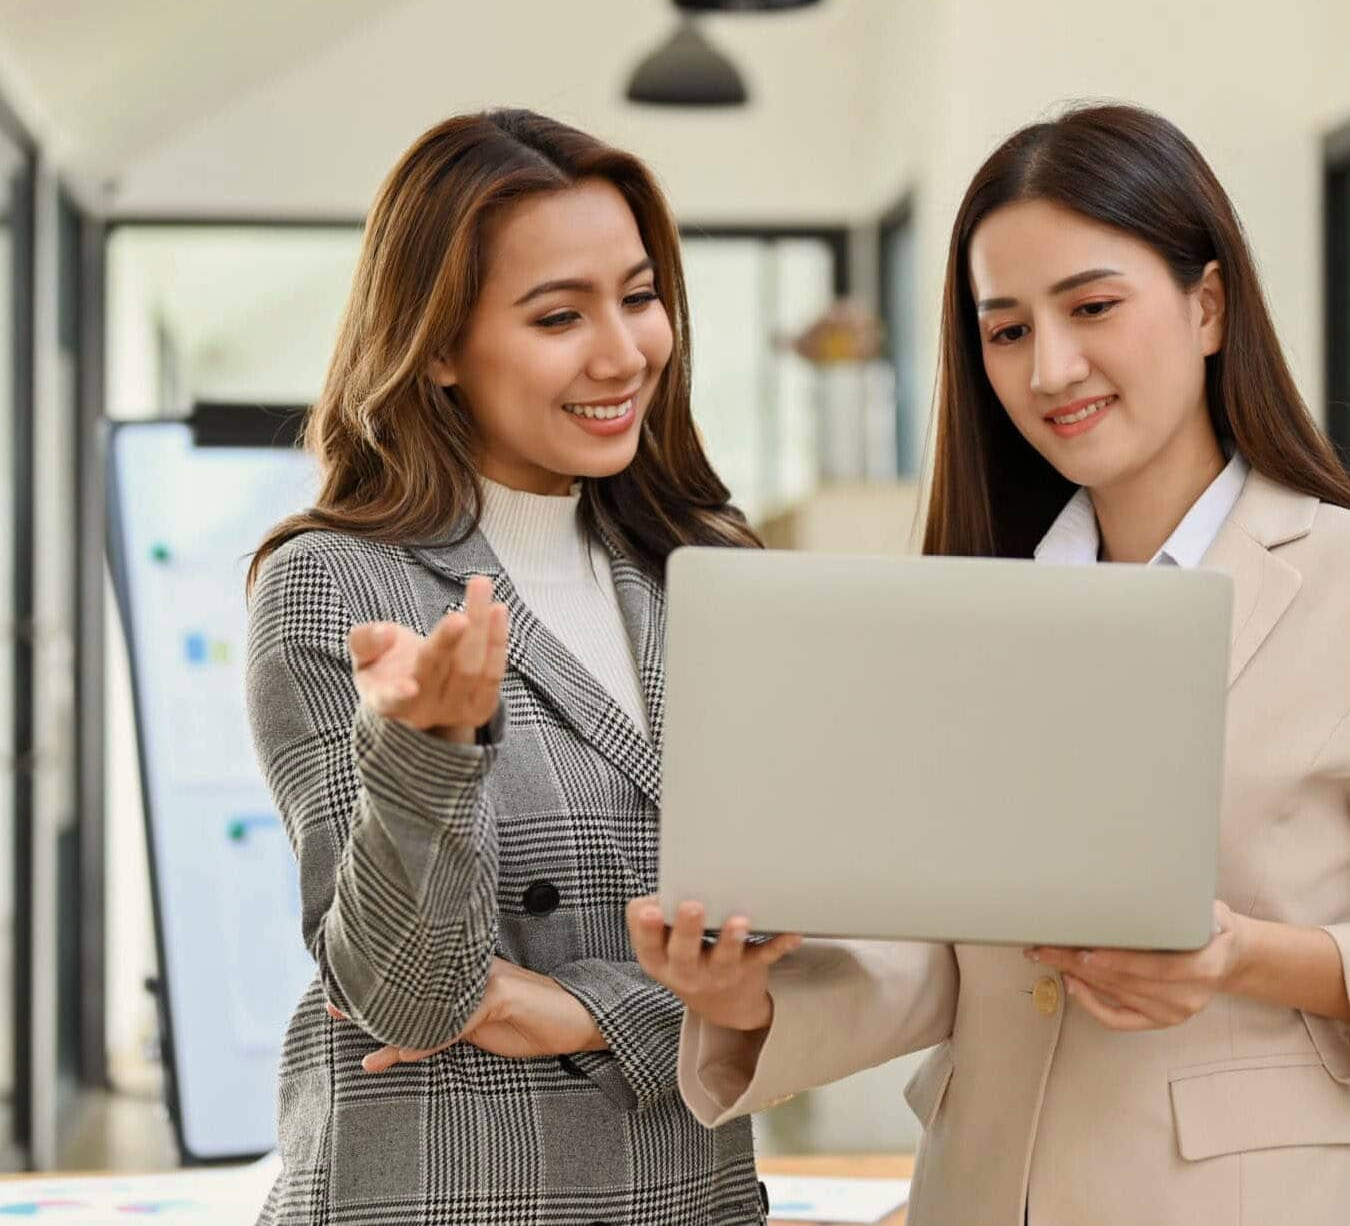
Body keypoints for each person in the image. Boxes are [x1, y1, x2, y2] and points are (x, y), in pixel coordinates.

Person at [629, 104, 1350, 1226]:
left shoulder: (1339, 579)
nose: (1051, 366)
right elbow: (943, 959)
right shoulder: (976, 602)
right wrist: (744, 995)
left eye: (1094, 306)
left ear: (1207, 305)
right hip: (980, 1189)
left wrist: (1243, 959)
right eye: (1005, 330)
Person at [245, 108, 767, 1225]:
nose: (623, 352)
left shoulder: (710, 574)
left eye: (637, 297)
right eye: (558, 315)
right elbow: (408, 997)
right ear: (437, 346)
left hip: (686, 1192)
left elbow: (806, 961)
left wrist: (578, 1010)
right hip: (442, 1197)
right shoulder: (339, 585)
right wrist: (426, 754)